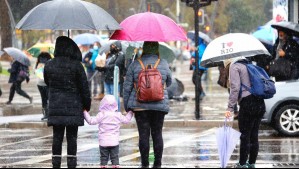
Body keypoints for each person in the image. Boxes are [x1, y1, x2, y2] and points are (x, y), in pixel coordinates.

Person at [44, 36, 91, 168]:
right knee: (72, 138)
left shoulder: (49, 64)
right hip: (73, 108)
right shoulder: (77, 65)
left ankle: (56, 164)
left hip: (56, 106)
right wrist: (86, 105)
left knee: (57, 137)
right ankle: (71, 164)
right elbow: (84, 88)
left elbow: (48, 82)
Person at [123, 41, 172, 168]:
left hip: (140, 105)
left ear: (144, 48)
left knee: (143, 135)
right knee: (157, 134)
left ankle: (144, 164)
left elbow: (127, 86)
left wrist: (127, 105)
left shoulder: (135, 64)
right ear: (157, 49)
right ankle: (157, 163)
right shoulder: (164, 63)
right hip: (159, 104)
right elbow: (170, 82)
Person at [225, 58, 266, 168]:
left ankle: (242, 164)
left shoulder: (235, 66)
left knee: (245, 135)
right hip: (260, 102)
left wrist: (230, 108)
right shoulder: (250, 64)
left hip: (248, 104)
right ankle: (252, 163)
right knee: (254, 135)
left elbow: (235, 88)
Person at [83, 95, 133, 168]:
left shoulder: (102, 115)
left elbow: (91, 121)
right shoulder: (117, 115)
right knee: (115, 157)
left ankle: (103, 165)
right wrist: (131, 112)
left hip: (103, 142)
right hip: (114, 141)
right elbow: (126, 120)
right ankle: (115, 165)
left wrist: (84, 112)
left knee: (103, 158)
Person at [35, 52, 52, 121]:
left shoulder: (38, 64)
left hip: (40, 84)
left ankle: (46, 114)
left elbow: (35, 72)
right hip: (46, 84)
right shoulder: (49, 63)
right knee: (48, 98)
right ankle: (47, 114)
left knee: (44, 99)